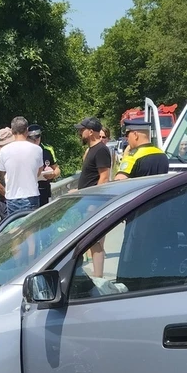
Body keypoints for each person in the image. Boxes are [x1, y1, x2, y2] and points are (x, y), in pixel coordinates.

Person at [75, 117, 112, 276]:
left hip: (93, 203)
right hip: (86, 200)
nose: (80, 132)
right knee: (89, 241)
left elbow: (104, 177)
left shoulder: (101, 150)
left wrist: (94, 203)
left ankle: (98, 277)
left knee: (95, 241)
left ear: (90, 132)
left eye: (82, 129)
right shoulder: (91, 150)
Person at [0, 116, 43, 217]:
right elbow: (38, 171)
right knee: (31, 226)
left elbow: (2, 172)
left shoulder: (4, 151)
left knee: (14, 226)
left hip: (12, 197)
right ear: (27, 130)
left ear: (12, 131)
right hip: (31, 195)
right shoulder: (37, 149)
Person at [27, 124, 59, 208]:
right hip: (29, 191)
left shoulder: (48, 150)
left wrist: (53, 174)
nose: (35, 141)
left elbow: (57, 169)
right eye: (32, 139)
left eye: (37, 138)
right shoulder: (24, 150)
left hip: (44, 189)